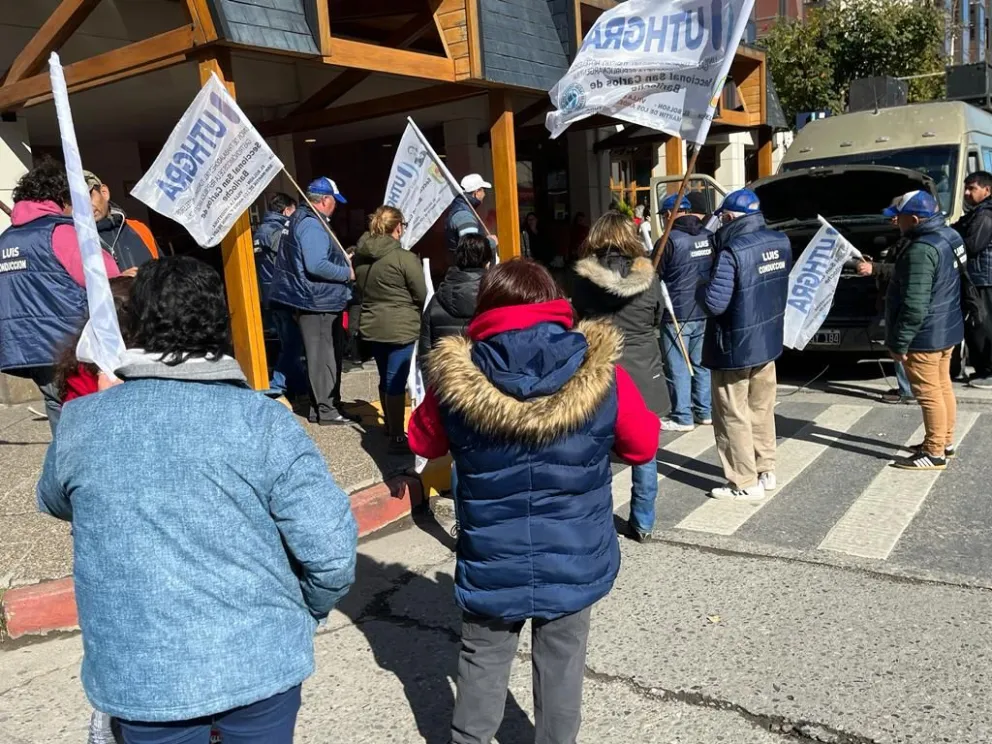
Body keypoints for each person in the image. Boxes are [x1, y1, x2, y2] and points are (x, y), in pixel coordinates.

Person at [37, 256, 358, 744]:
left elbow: (57, 500)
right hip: (259, 664)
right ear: (219, 325)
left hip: (141, 676)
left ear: (139, 326)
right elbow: (331, 554)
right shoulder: (262, 421)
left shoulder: (84, 423)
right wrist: (302, 608)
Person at [408, 260, 659, 744]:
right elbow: (642, 445)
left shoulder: (456, 376)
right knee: (562, 664)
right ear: (552, 301)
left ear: (487, 308)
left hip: (491, 556)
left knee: (482, 660)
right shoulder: (599, 370)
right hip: (575, 551)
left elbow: (422, 441)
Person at [0, 158, 121, 434]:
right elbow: (108, 278)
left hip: (30, 352)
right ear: (61, 199)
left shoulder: (5, 240)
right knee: (95, 422)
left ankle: (67, 472)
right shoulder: (61, 233)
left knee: (60, 416)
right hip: (72, 349)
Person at [572, 212, 666, 542]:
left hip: (600, 368)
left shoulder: (583, 278)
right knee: (646, 450)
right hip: (642, 368)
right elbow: (657, 316)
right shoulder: (648, 275)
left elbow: (576, 318)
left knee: (594, 451)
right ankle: (643, 522)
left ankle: (594, 519)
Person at [699, 189, 791, 501]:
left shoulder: (732, 251)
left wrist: (701, 286)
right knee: (762, 408)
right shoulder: (780, 241)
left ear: (727, 217)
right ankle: (766, 470)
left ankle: (743, 481)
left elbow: (714, 302)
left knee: (732, 413)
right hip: (766, 340)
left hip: (734, 345)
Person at [884, 191, 965, 469]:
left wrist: (900, 342)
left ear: (916, 219)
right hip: (947, 326)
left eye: (900, 218)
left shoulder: (920, 250)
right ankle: (945, 441)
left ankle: (933, 452)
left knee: (929, 393)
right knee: (943, 387)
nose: (896, 222)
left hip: (926, 334)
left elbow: (915, 304)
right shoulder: (949, 236)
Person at [268, 177, 357, 426]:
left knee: (322, 356)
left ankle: (325, 407)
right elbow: (316, 264)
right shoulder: (312, 225)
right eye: (334, 202)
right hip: (318, 301)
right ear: (325, 200)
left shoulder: (301, 220)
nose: (336, 207)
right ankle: (326, 409)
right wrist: (346, 272)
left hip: (315, 299)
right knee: (324, 356)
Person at [353, 206, 427, 452]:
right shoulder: (404, 258)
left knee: (386, 375)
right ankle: (396, 435)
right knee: (396, 378)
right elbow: (421, 292)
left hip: (372, 323)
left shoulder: (361, 257)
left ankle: (390, 426)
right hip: (400, 326)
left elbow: (359, 289)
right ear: (397, 228)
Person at [655, 192, 714, 431]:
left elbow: (653, 274)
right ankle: (705, 411)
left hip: (676, 312)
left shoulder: (668, 241)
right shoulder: (709, 236)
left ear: (669, 214)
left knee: (678, 364)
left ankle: (682, 415)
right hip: (705, 308)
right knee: (701, 363)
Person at [855, 226, 916, 404]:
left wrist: (875, 269)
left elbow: (903, 269)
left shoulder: (915, 241)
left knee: (901, 343)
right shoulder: (907, 237)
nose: (893, 220)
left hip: (902, 300)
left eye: (897, 215)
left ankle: (908, 390)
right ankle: (906, 388)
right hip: (895, 298)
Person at [254, 192, 307, 398]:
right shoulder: (277, 232)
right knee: (293, 344)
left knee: (289, 342)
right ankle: (277, 383)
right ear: (286, 210)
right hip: (283, 295)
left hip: (270, 295)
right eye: (294, 211)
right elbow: (290, 259)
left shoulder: (261, 231)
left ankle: (299, 386)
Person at [418, 233, 493, 369]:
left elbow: (425, 353)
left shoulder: (437, 300)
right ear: (487, 262)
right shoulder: (496, 299)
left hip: (447, 383)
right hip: (486, 385)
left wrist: (433, 387)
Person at [953, 170, 992, 388]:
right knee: (976, 325)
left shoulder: (985, 214)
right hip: (977, 277)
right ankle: (982, 369)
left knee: (983, 325)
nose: (967, 193)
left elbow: (973, 245)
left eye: (972, 188)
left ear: (987, 190)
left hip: (984, 278)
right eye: (966, 188)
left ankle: (988, 370)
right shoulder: (976, 212)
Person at [84, 170, 159, 273]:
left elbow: (163, 274)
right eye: (77, 202)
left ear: (104, 193)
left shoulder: (138, 228)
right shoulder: (75, 241)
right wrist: (118, 283)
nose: (85, 206)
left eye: (88, 196)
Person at [445, 173, 497, 256]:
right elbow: (472, 248)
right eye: (483, 190)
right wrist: (491, 242)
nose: (484, 194)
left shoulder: (463, 210)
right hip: (467, 268)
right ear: (476, 192)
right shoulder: (464, 216)